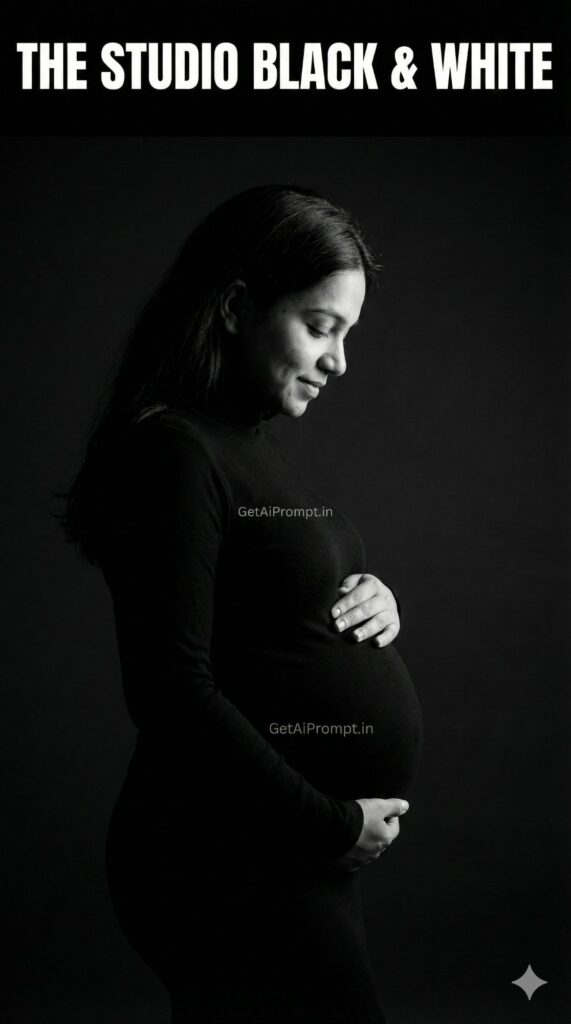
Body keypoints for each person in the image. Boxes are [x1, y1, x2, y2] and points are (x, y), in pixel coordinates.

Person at [61, 184, 423, 1023]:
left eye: (347, 334)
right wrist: (330, 824)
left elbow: (272, 608)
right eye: (320, 327)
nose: (338, 360)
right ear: (234, 307)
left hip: (280, 855)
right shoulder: (173, 451)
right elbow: (169, 689)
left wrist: (373, 596)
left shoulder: (242, 446)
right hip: (222, 853)